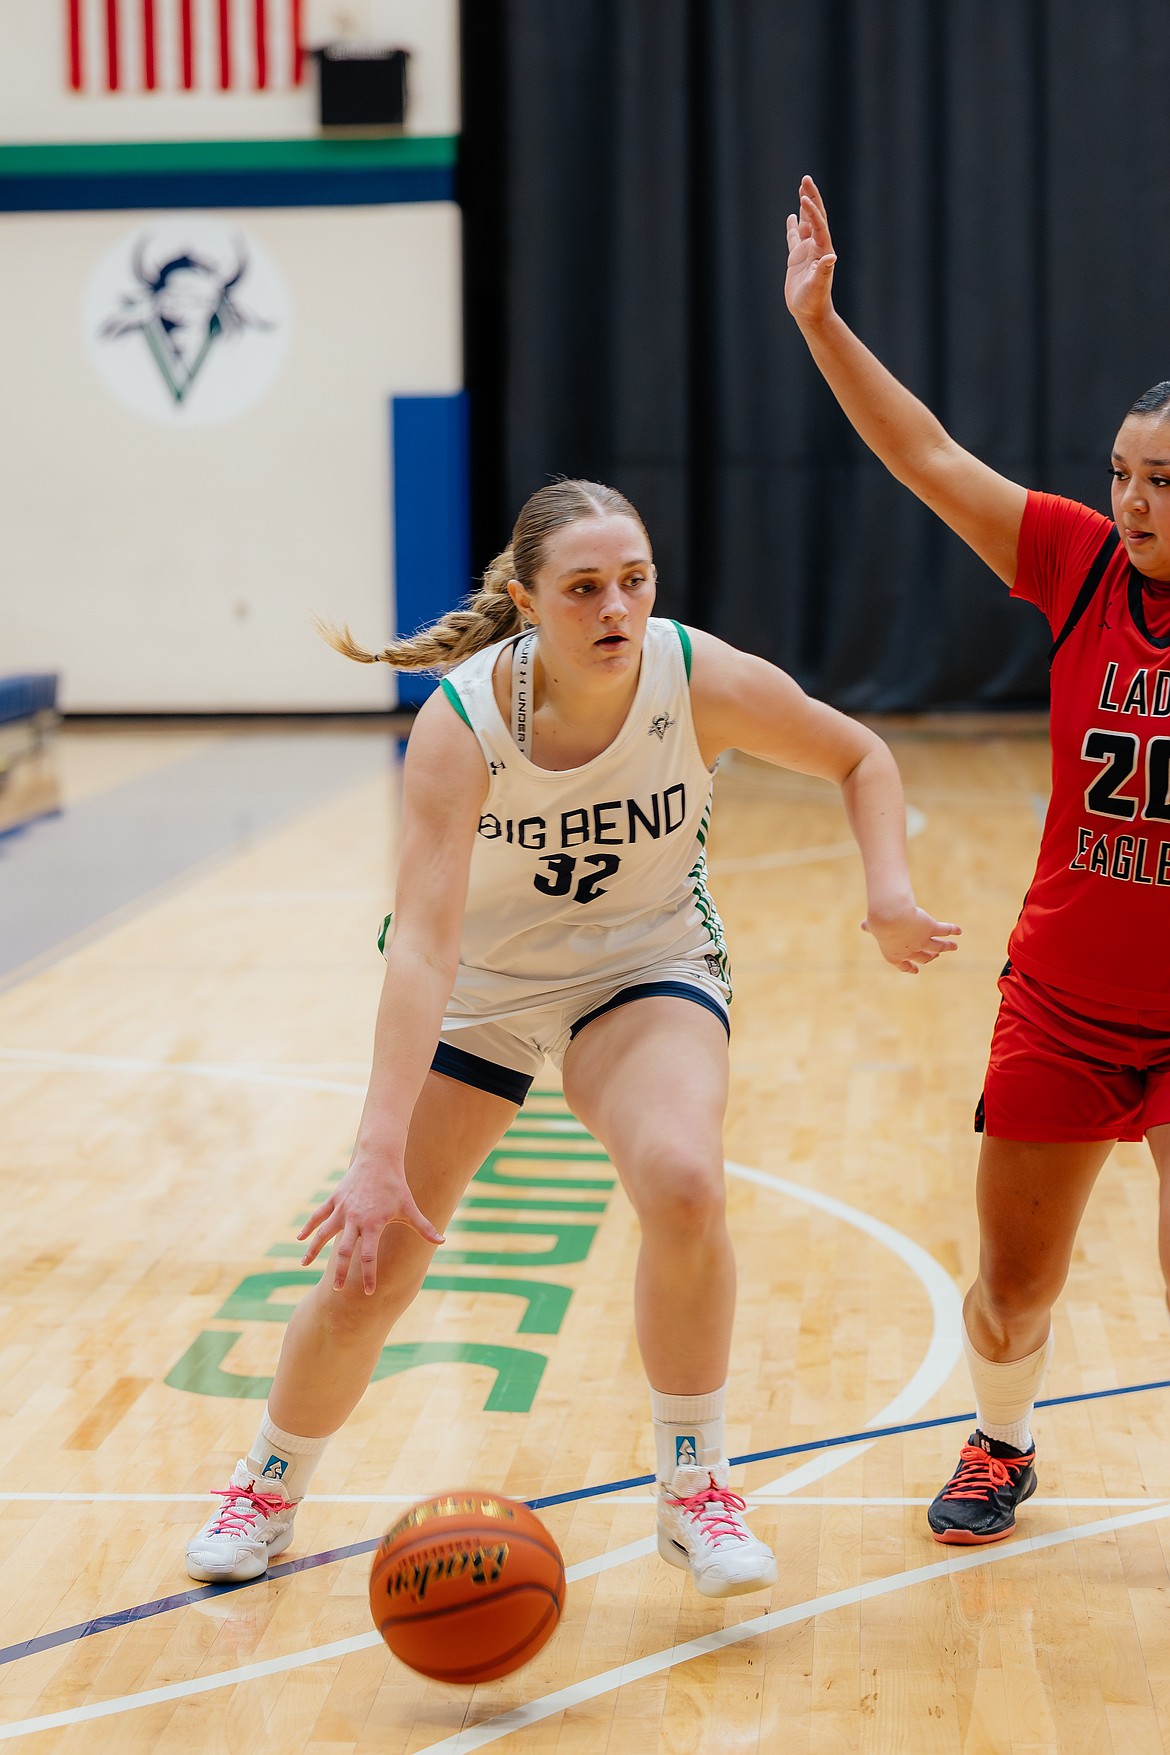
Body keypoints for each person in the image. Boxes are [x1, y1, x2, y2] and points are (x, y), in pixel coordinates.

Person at [184, 478, 957, 1595]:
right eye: (585, 588)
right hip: (483, 990)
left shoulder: (695, 679)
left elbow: (859, 756)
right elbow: (423, 950)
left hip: (642, 968)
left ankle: (694, 1486)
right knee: (373, 1264)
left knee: (686, 1179)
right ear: (526, 600)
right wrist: (372, 1151)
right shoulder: (464, 724)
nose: (616, 609)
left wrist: (888, 891)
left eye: (634, 582)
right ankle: (267, 1482)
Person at [786, 173, 1170, 1545]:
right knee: (1011, 1286)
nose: (1129, 500)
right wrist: (823, 325)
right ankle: (999, 1439)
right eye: (1120, 473)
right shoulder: (1072, 563)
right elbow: (928, 457)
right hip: (1065, 996)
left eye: (1160, 481)